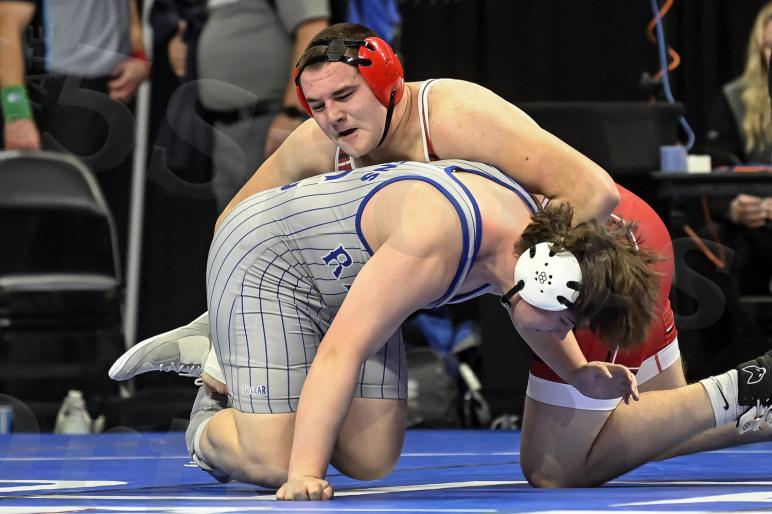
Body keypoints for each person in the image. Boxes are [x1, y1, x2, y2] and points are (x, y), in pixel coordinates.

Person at [196, 0, 329, 210]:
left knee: (273, 216)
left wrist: (292, 112)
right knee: (234, 220)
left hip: (269, 119)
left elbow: (313, 29)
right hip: (226, 124)